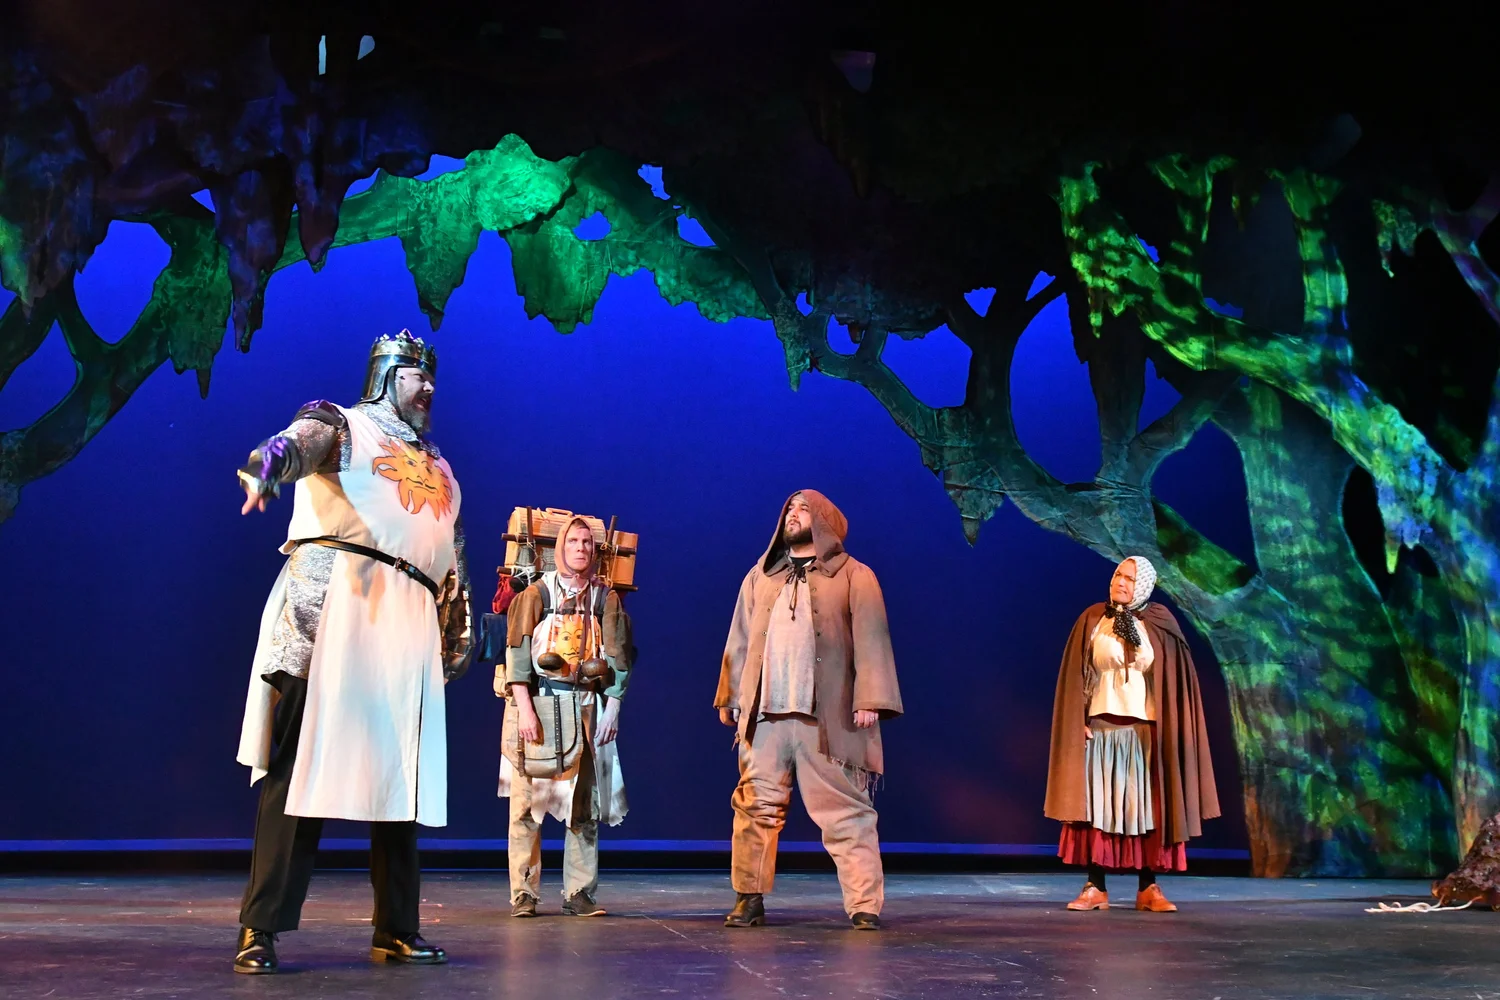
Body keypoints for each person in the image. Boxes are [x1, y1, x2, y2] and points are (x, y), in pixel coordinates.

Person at [231, 330, 472, 973]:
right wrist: (266, 468)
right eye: (416, 374)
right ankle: (260, 928)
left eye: (432, 377)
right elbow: (293, 444)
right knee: (297, 770)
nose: (428, 387)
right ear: (387, 375)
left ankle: (396, 928)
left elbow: (450, 555)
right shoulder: (344, 425)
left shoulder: (440, 468)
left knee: (400, 779)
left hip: (408, 622)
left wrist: (457, 631)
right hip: (334, 602)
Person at [715, 490, 902, 930]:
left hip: (826, 718)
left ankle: (864, 905)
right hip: (766, 714)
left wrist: (870, 698)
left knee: (846, 812)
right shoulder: (761, 576)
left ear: (825, 521)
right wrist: (731, 695)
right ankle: (749, 897)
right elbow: (740, 637)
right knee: (755, 807)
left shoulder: (854, 575)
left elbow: (873, 637)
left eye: (803, 509)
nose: (792, 515)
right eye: (789, 509)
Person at [1044, 556, 1219, 912]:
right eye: (1117, 575)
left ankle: (1148, 887)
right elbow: (1076, 674)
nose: (1120, 582)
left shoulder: (1160, 622)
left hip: (1145, 731)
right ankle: (1096, 886)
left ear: (1144, 586)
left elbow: (1175, 680)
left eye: (1129, 578)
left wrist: (1172, 726)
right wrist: (1077, 719)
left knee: (1144, 808)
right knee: (1099, 807)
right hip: (1101, 729)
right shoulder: (1093, 618)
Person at [498, 516, 633, 918]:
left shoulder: (605, 599)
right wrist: (524, 709)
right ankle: (524, 893)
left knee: (583, 806)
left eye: (587, 542)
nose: (581, 548)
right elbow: (517, 654)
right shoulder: (536, 594)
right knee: (527, 803)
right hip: (539, 704)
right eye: (573, 541)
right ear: (560, 547)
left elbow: (618, 657)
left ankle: (580, 892)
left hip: (585, 705)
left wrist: (613, 707)